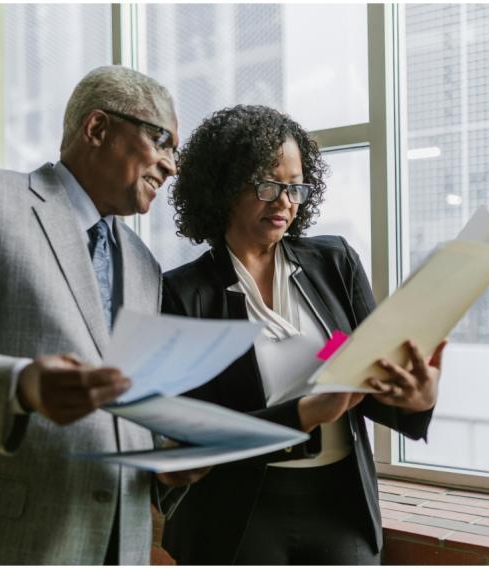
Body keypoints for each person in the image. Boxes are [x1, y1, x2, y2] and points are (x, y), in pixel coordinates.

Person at [0, 66, 204, 565]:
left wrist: (168, 455)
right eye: (163, 141)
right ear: (97, 129)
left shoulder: (143, 264)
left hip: (120, 547)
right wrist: (20, 386)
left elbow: (122, 402)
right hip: (2, 545)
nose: (172, 166)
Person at [160, 104, 447, 565]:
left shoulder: (333, 264)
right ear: (224, 186)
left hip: (339, 504)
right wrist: (304, 413)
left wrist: (415, 399)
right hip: (237, 513)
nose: (284, 202)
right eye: (268, 184)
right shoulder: (182, 294)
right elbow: (198, 437)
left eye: (294, 187)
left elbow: (365, 382)